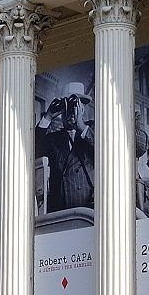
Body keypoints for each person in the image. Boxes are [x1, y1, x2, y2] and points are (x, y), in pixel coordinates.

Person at [36, 84, 96, 213]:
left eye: (75, 106)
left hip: (87, 209)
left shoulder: (93, 130)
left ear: (83, 109)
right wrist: (48, 117)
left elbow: (106, 152)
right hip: (59, 210)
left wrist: (80, 126)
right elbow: (31, 150)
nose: (70, 111)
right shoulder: (53, 139)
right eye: (67, 107)